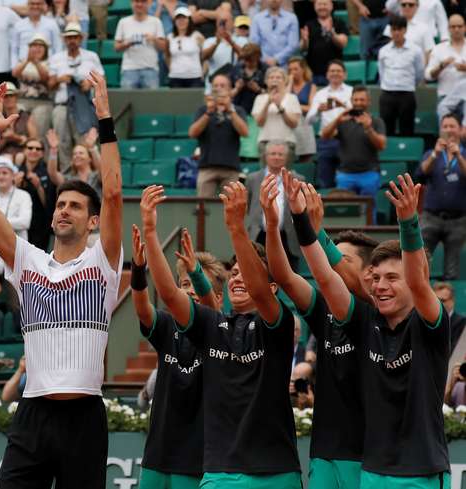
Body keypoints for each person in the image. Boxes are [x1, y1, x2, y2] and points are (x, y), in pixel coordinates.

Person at [0, 74, 122, 488]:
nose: (64, 211)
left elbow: (112, 192)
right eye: (60, 204)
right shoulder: (27, 261)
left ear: (92, 221)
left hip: (84, 416)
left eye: (75, 206)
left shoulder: (103, 261)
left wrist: (105, 120)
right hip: (33, 413)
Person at [295, 173, 451, 488]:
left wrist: (408, 222)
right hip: (372, 473)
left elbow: (419, 280)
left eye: (392, 278)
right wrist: (304, 223)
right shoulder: (365, 323)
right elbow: (327, 278)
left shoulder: (429, 324)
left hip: (421, 473)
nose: (380, 286)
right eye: (376, 278)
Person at [143, 181, 302, 488]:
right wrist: (150, 233)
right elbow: (169, 293)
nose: (238, 277)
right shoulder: (213, 325)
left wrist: (236, 227)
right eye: (235, 272)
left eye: (246, 271)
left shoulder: (278, 324)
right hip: (221, 473)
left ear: (271, 289)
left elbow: (259, 289)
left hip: (276, 472)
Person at [261, 171, 377, 488]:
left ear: (370, 273)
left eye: (341, 258)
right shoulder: (323, 312)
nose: (329, 263)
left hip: (370, 456)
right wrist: (273, 226)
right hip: (324, 451)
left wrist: (312, 229)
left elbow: (333, 276)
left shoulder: (377, 311)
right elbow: (283, 276)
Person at [131, 221, 225, 489]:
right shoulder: (166, 326)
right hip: (156, 458)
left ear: (218, 296)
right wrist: (138, 268)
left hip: (196, 463)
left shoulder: (221, 331)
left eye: (197, 283)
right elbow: (141, 307)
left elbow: (208, 310)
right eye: (184, 283)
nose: (191, 289)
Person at [415, 114, 466, 281]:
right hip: (431, 217)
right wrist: (436, 154)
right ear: (440, 130)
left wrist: (458, 156)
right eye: (445, 126)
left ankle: (448, 305)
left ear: (460, 130)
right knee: (421, 264)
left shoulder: (464, 154)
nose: (449, 130)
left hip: (458, 220)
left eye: (452, 126)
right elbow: (421, 173)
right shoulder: (431, 153)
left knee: (452, 270)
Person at [49, 22, 105, 171]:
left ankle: (89, 174)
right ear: (65, 40)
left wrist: (89, 83)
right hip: (63, 104)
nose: (72, 40)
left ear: (80, 39)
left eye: (75, 37)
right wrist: (60, 79)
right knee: (62, 141)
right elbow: (50, 84)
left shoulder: (91, 56)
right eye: (69, 37)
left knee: (85, 141)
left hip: (84, 105)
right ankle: (67, 174)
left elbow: (101, 80)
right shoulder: (56, 58)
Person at [320, 86, 386, 205]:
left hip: (369, 173)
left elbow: (381, 145)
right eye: (355, 100)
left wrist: (368, 128)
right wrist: (337, 120)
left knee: (369, 211)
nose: (358, 103)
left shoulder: (376, 121)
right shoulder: (343, 120)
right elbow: (324, 135)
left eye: (362, 100)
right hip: (345, 175)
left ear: (369, 102)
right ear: (351, 101)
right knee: (345, 212)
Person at [189, 73, 250, 198]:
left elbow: (245, 133)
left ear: (230, 89)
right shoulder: (203, 110)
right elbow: (192, 133)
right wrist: (208, 113)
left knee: (232, 206)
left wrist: (230, 110)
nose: (219, 88)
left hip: (231, 167)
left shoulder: (237, 110)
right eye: (215, 85)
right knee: (203, 208)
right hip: (207, 167)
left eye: (222, 85)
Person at [247, 142, 303, 271]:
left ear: (287, 157)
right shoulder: (253, 179)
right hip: (259, 236)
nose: (276, 157)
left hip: (287, 238)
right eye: (273, 154)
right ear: (265, 156)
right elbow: (249, 205)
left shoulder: (297, 179)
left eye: (280, 154)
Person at [305, 60, 352, 188]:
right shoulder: (321, 94)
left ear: (345, 74)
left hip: (348, 140)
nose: (335, 73)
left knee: (348, 179)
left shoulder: (352, 92)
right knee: (325, 180)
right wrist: (318, 111)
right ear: (327, 75)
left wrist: (342, 104)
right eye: (332, 71)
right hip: (326, 141)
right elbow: (309, 120)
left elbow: (357, 114)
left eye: (338, 71)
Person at [378, 15, 425, 137]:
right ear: (390, 31)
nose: (396, 32)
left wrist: (409, 85)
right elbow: (382, 72)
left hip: (406, 94)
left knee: (407, 129)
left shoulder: (416, 50)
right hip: (387, 94)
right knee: (386, 131)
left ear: (405, 30)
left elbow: (419, 73)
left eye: (399, 29)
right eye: (394, 29)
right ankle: (387, 156)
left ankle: (407, 155)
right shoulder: (383, 51)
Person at [252, 67, 300, 162]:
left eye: (278, 77)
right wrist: (267, 103)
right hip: (265, 142)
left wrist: (280, 107)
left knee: (285, 175)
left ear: (285, 81)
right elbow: (259, 123)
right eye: (271, 77)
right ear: (266, 81)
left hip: (287, 142)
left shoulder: (292, 98)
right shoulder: (259, 98)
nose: (275, 80)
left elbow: (294, 124)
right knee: (266, 175)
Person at [115, 0, 167, 89]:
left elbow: (163, 47)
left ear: (148, 4)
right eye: (136, 1)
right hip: (129, 69)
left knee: (151, 101)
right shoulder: (123, 22)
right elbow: (116, 47)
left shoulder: (156, 21)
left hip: (150, 68)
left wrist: (154, 39)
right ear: (131, 3)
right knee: (127, 102)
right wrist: (127, 43)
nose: (139, 4)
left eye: (143, 1)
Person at [17, 138, 56, 251]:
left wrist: (39, 186)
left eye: (38, 149)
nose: (34, 151)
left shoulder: (47, 172)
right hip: (20, 224)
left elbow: (48, 205)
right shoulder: (17, 170)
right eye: (30, 148)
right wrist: (15, 185)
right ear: (24, 150)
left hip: (40, 226)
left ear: (42, 153)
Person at [13, 34, 53, 138]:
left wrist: (36, 62)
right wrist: (28, 60)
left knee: (39, 133)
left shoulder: (50, 62)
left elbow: (45, 78)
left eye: (40, 46)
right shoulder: (23, 62)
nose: (37, 48)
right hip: (22, 101)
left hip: (42, 102)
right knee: (19, 128)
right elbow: (15, 73)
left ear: (46, 49)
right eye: (34, 46)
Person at [301, 0, 348, 84]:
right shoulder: (309, 24)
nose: (322, 7)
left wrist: (332, 34)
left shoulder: (339, 23)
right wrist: (305, 40)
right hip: (313, 72)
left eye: (325, 4)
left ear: (331, 6)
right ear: (315, 7)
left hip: (334, 72)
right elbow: (303, 48)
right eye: (319, 4)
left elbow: (343, 43)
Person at [46, 129, 103, 197]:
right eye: (74, 154)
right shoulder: (69, 180)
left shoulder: (97, 176)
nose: (77, 156)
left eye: (81, 153)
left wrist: (92, 148)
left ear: (90, 159)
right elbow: (53, 174)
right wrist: (53, 149)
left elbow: (103, 170)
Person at [201, 10, 249, 86]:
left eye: (226, 21)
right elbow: (203, 57)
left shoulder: (242, 40)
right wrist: (216, 43)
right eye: (221, 22)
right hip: (214, 84)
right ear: (217, 23)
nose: (224, 25)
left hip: (234, 84)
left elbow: (246, 56)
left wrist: (230, 41)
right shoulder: (210, 41)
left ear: (233, 23)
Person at [426, 14, 466, 105]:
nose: (456, 29)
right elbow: (428, 75)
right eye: (453, 27)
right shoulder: (438, 49)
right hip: (446, 96)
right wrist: (441, 66)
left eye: (459, 26)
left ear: (465, 27)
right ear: (448, 28)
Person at [0, 156, 33, 241]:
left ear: (13, 176)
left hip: (17, 245)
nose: (1, 176)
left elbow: (25, 222)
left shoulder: (24, 195)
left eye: (4, 173)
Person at [10, 0, 62, 67]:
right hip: (24, 68)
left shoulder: (52, 24)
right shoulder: (18, 25)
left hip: (47, 68)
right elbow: (14, 49)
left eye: (38, 4)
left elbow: (58, 47)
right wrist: (14, 67)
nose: (35, 6)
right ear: (27, 5)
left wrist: (56, 67)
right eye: (32, 4)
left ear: (43, 5)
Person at [250, 0, 300, 67]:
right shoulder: (257, 19)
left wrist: (276, 59)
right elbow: (254, 43)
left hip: (285, 65)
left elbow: (293, 45)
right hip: (263, 65)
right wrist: (265, 60)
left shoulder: (291, 18)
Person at [165, 7, 205, 88]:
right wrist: (172, 70)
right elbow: (167, 56)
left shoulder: (197, 36)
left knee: (194, 101)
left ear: (189, 20)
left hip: (194, 77)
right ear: (174, 21)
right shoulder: (170, 37)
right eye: (178, 19)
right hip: (175, 77)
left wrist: (203, 72)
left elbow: (205, 56)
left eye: (184, 18)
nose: (181, 21)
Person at [0, 82, 38, 158]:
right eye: (5, 96)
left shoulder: (27, 116)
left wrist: (16, 138)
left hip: (23, 156)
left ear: (16, 97)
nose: (8, 98)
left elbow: (34, 141)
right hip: (2, 157)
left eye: (11, 95)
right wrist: (5, 140)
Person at [288, 56, 316, 162]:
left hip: (304, 125)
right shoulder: (286, 86)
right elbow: (283, 102)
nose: (292, 72)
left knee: (305, 159)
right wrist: (289, 83)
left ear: (303, 69)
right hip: (290, 124)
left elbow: (311, 107)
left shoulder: (311, 86)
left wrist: (294, 107)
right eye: (290, 70)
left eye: (295, 69)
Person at [230, 42, 265, 116]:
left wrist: (258, 89)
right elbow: (226, 95)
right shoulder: (236, 69)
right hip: (239, 111)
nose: (247, 63)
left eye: (250, 60)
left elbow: (273, 95)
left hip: (260, 112)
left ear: (257, 57)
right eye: (245, 60)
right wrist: (236, 89)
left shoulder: (266, 70)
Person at [433, 281, 466, 356]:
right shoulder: (426, 322)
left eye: (443, 300)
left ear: (452, 301)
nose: (439, 303)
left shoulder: (462, 323)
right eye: (436, 300)